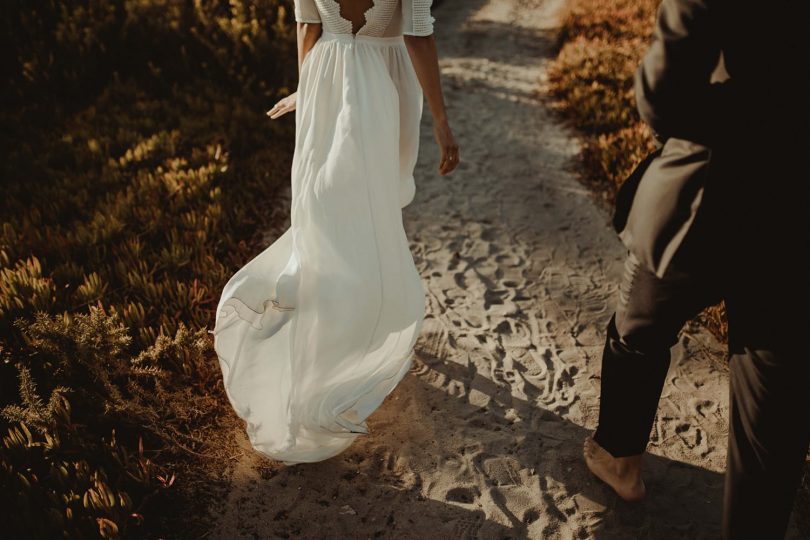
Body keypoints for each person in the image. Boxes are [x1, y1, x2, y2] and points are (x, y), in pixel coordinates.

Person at [583, 0, 809, 537]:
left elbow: (661, 96)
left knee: (637, 325)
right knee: (770, 416)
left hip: (704, 201)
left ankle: (621, 460)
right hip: (798, 216)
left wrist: (748, 118)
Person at [212, 0, 458, 464]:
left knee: (323, 214)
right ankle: (355, 335)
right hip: (383, 85)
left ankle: (331, 326)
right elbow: (417, 36)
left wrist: (308, 94)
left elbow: (308, 31)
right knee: (372, 210)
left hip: (326, 79)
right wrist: (443, 122)